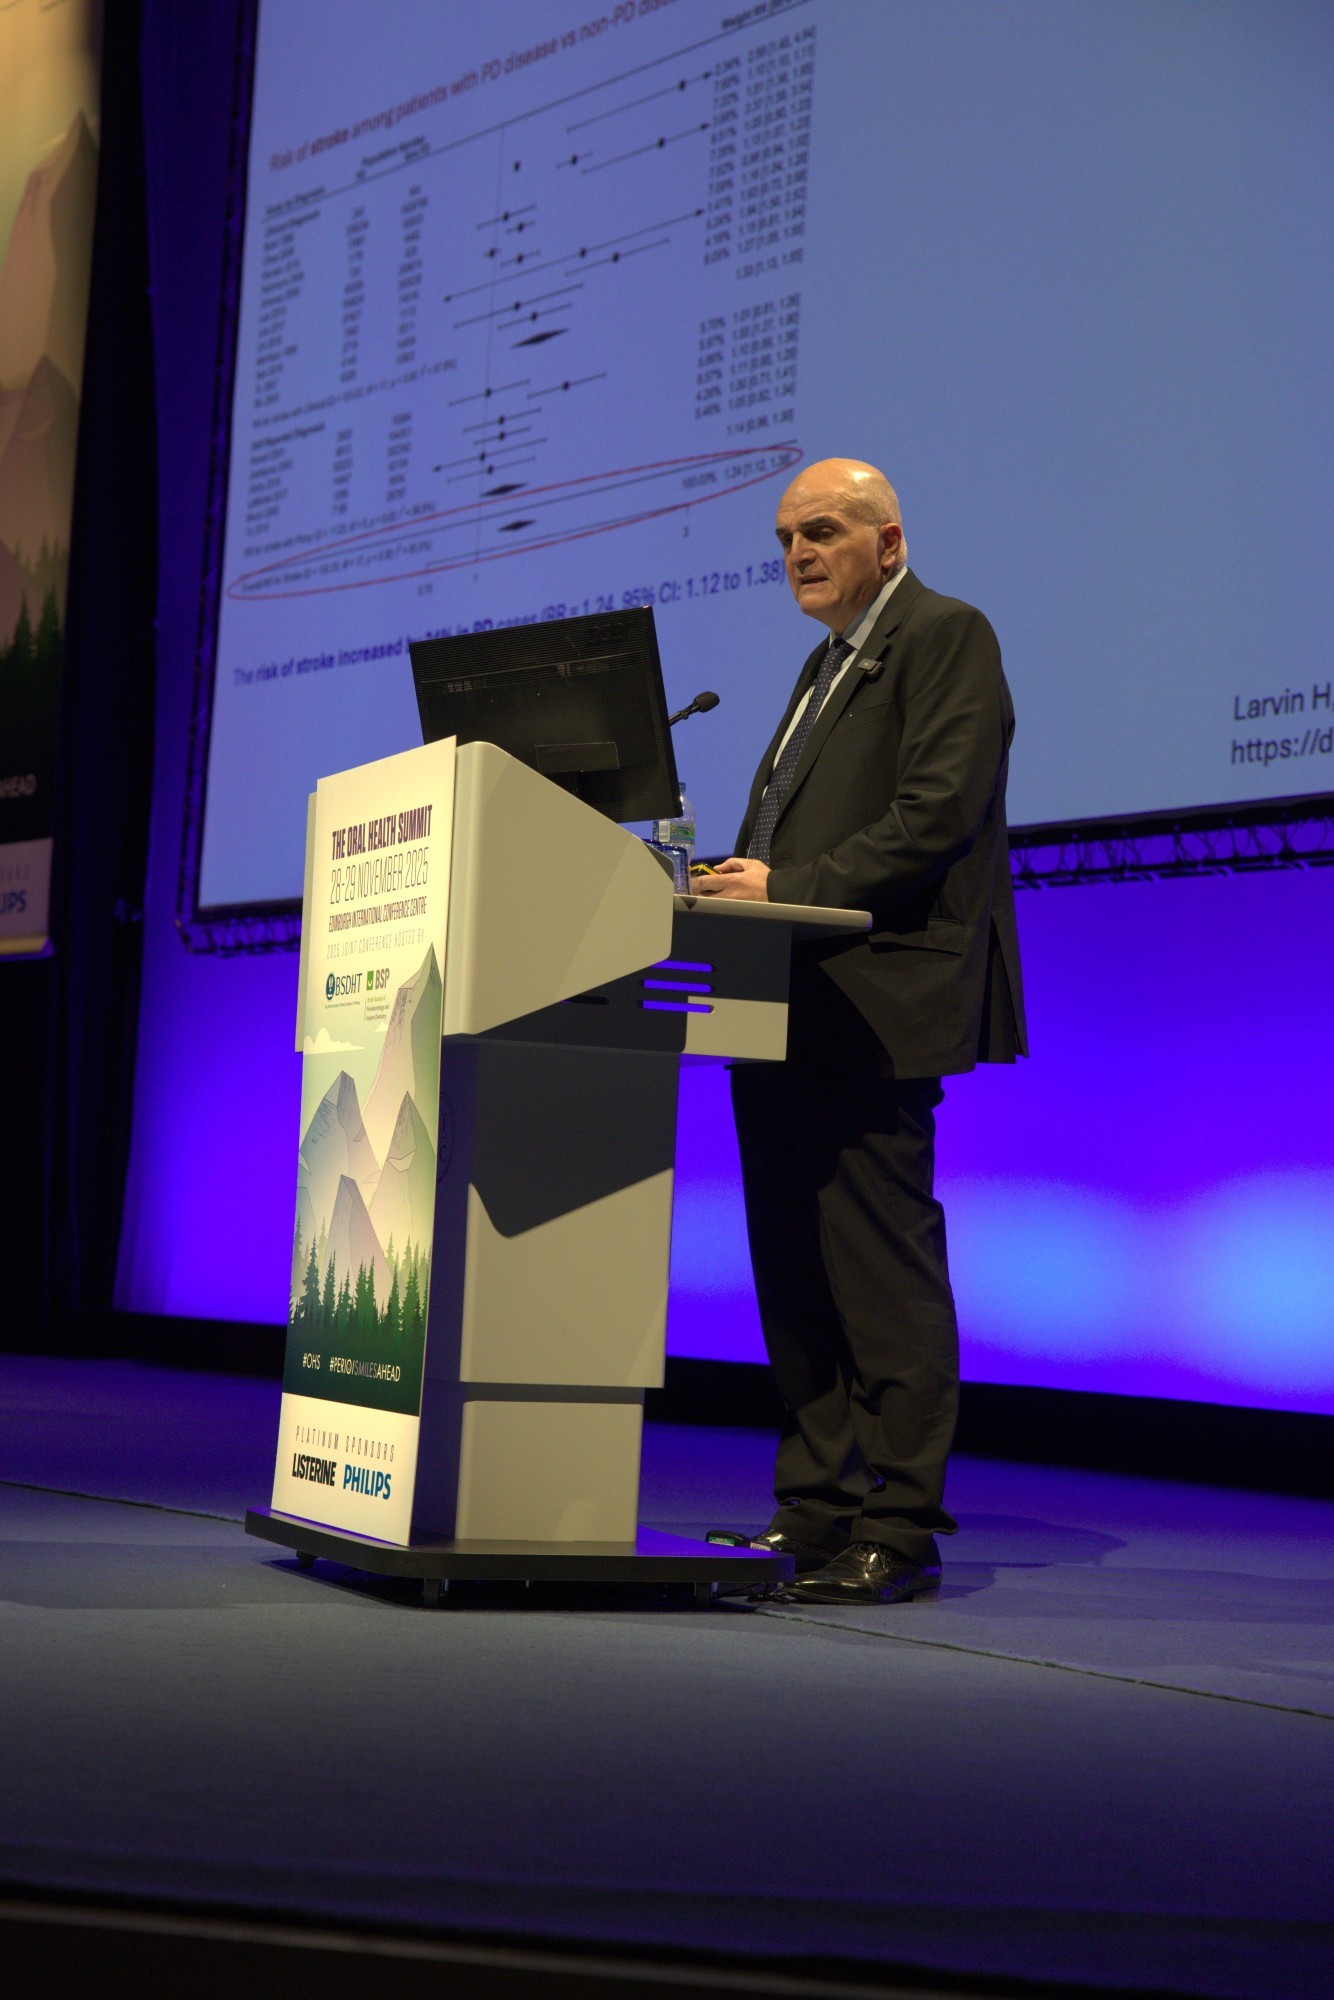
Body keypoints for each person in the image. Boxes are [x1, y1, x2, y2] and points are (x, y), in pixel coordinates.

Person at [695, 458, 1026, 1604]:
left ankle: (897, 1522)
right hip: (783, 996)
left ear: (887, 542)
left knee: (879, 1270)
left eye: (822, 530)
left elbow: (936, 811)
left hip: (874, 1001)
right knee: (793, 1269)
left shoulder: (944, 634)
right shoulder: (822, 663)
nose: (797, 551)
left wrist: (785, 884)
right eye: (785, 536)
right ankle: (814, 1505)